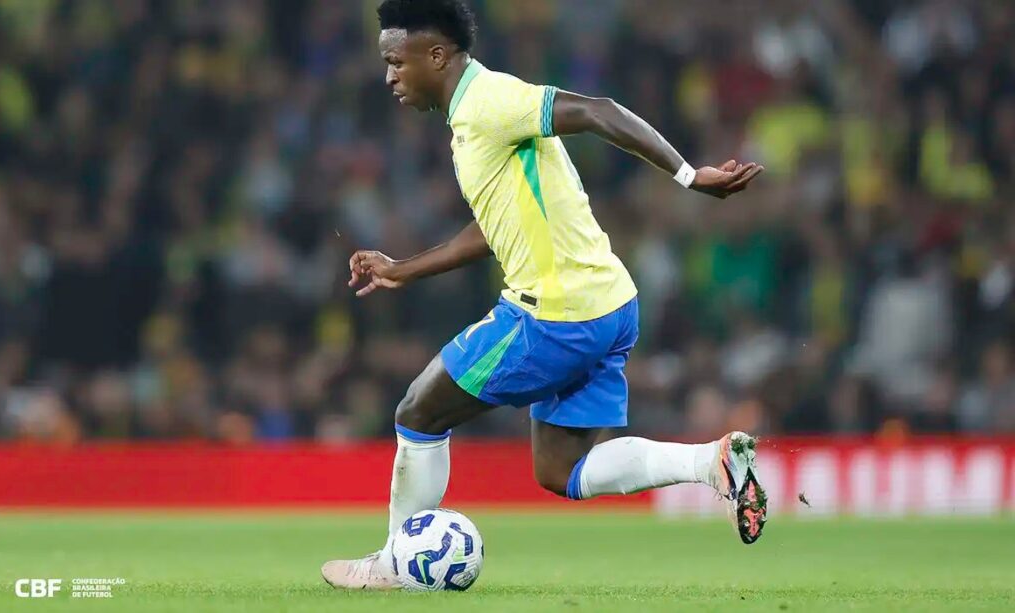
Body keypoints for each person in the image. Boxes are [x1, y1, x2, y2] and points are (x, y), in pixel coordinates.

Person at [322, 0, 767, 589]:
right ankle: (709, 463)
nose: (389, 77)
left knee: (418, 413)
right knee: (563, 470)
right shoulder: (472, 118)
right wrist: (404, 269)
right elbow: (495, 225)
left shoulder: (489, 101)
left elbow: (596, 110)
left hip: (552, 317)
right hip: (609, 305)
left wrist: (689, 175)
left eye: (396, 62)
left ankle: (395, 567)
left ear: (436, 55)